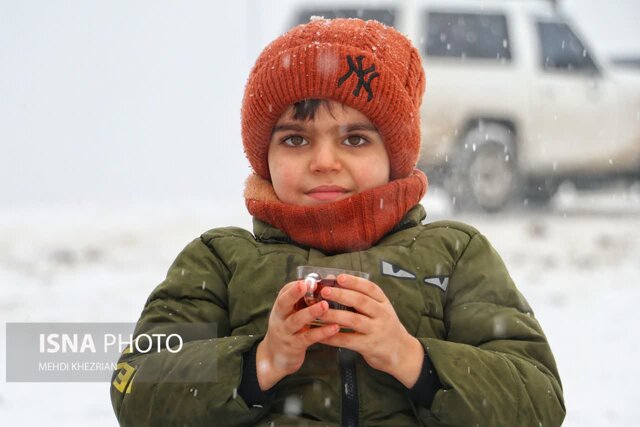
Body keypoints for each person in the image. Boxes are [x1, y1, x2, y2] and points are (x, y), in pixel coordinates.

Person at [110, 17, 565, 426]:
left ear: (395, 154)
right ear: (264, 156)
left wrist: (411, 358)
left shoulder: (456, 253)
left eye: (354, 138)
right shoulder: (220, 260)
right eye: (294, 138)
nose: (324, 161)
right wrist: (260, 362)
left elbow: (539, 400)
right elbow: (135, 385)